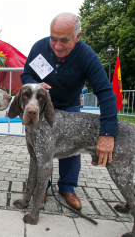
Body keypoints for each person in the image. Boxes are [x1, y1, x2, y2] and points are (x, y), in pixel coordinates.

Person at [20, 12, 118, 210]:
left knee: (72, 150)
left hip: (69, 106)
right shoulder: (39, 47)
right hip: (43, 107)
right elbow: (26, 73)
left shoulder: (87, 56)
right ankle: (42, 187)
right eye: (53, 39)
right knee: (39, 149)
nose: (57, 46)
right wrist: (34, 83)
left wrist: (107, 134)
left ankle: (67, 187)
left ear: (77, 36)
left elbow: (106, 94)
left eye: (64, 40)